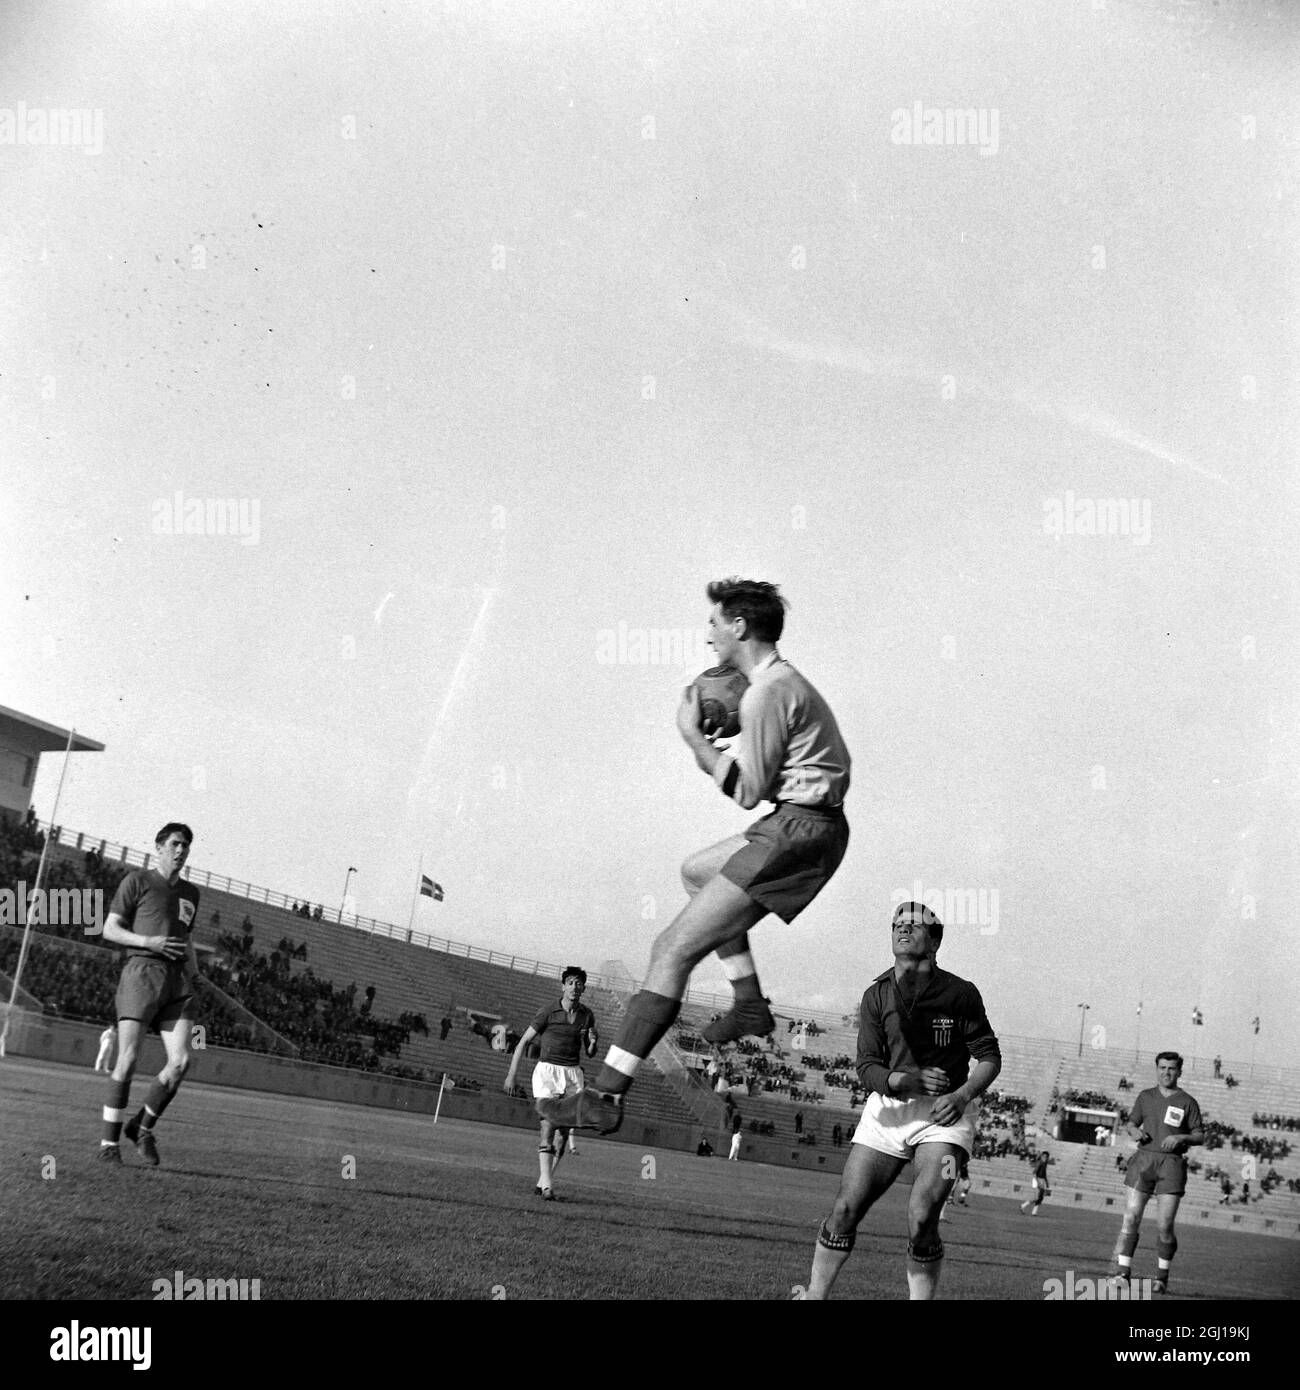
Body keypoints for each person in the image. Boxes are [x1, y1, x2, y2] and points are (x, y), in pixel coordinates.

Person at [541, 578, 851, 1135]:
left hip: (799, 828)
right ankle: (749, 1003)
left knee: (670, 949)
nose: (707, 634)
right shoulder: (775, 684)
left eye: (714, 622)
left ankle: (606, 1098)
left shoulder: (766, 693)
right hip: (803, 823)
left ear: (739, 626)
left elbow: (747, 791)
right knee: (697, 871)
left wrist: (696, 741)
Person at [800, 902, 1001, 1300]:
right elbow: (867, 1068)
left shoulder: (960, 993)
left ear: (936, 941)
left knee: (922, 1215)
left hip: (945, 1117)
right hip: (887, 1114)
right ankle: (814, 1295)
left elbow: (989, 1058)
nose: (904, 929)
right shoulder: (876, 995)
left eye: (915, 924)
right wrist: (909, 1080)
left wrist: (961, 1096)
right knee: (844, 1211)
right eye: (898, 924)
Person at [97, 823, 200, 1166]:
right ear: (158, 847)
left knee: (181, 1061)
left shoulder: (191, 893)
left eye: (185, 845)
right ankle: (109, 1145)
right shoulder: (137, 881)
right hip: (142, 971)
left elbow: (185, 937)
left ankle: (141, 1125)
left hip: (177, 980)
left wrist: (195, 972)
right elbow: (110, 928)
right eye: (175, 844)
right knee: (127, 1060)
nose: (181, 850)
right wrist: (148, 942)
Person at [1109, 1051, 1205, 1295]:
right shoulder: (1145, 1096)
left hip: (1171, 1164)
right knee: (1131, 1217)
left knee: (1164, 1224)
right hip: (1143, 1160)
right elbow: (1130, 1123)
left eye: (1171, 1068)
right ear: (1156, 1069)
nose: (1166, 1072)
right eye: (1162, 1067)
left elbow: (1199, 1135)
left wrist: (1180, 1136)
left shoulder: (1187, 1101)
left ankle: (1161, 1276)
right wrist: (1134, 1132)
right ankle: (1123, 1273)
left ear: (1179, 1072)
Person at [503, 966, 597, 1200]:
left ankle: (543, 1181)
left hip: (573, 1074)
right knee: (548, 1124)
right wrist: (512, 1074)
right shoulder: (548, 1011)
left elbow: (590, 1051)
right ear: (563, 985)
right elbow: (523, 1042)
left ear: (584, 988)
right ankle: (547, 1186)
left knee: (563, 1133)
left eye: (579, 983)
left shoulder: (587, 1015)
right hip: (548, 1071)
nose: (575, 987)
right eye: (571, 982)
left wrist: (594, 1042)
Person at [1020, 1148, 1052, 1215]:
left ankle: (1034, 1212)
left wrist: (1046, 1182)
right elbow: (1034, 1173)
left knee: (1040, 1197)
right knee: (1036, 1197)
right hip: (1036, 1179)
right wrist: (1037, 1182)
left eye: (1046, 1157)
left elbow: (1044, 1173)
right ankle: (1023, 1206)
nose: (1045, 1158)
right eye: (1044, 1156)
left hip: (1042, 1180)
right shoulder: (1039, 1163)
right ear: (1041, 1156)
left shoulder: (1045, 1163)